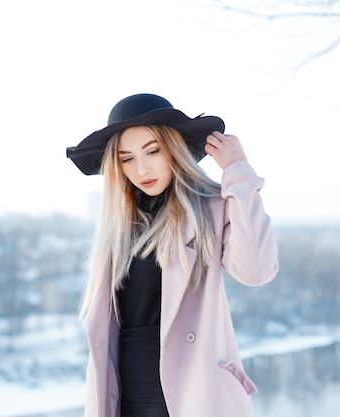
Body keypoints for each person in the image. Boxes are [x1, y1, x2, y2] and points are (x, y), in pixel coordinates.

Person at [66, 93, 278, 417]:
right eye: (127, 158)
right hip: (125, 397)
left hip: (195, 396)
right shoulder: (117, 224)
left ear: (173, 148)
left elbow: (257, 271)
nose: (142, 168)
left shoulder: (212, 208)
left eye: (152, 150)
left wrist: (239, 173)